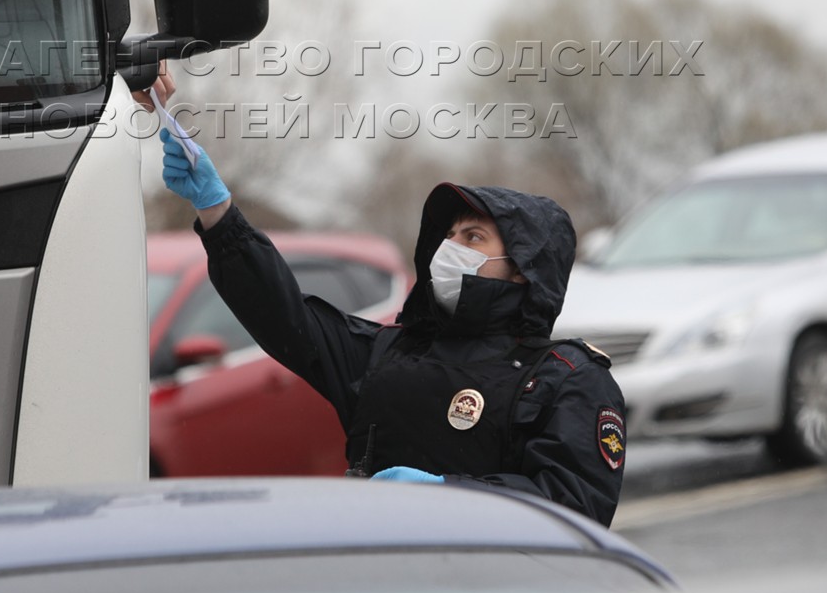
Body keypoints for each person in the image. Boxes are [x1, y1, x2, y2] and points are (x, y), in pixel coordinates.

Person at [152, 107, 626, 526]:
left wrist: (450, 495)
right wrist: (218, 214)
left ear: (523, 269)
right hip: (385, 590)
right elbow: (284, 316)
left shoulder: (569, 380)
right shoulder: (388, 353)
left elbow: (574, 509)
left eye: (474, 237)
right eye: (451, 236)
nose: (451, 247)